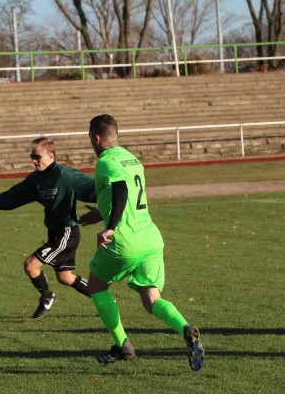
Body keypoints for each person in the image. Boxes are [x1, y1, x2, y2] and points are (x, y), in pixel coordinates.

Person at [82, 114, 205, 372]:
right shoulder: (132, 159)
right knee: (151, 299)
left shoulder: (105, 161)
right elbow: (123, 196)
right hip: (150, 238)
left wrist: (110, 228)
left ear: (95, 138)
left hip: (123, 241)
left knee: (95, 285)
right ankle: (185, 328)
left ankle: (122, 345)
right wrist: (98, 214)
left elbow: (121, 192)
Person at [0, 137, 96, 319]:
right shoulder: (36, 179)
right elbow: (15, 195)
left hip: (67, 232)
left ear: (50, 156)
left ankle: (47, 296)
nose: (33, 160)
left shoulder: (65, 175)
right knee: (65, 277)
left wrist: (111, 199)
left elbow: (94, 188)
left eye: (37, 156)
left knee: (31, 265)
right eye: (31, 156)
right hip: (54, 232)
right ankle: (102, 297)